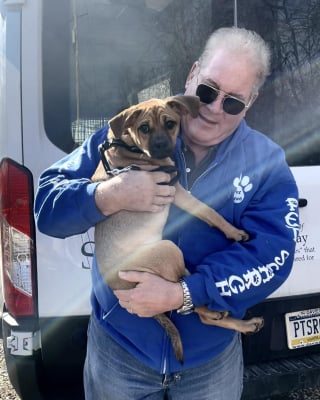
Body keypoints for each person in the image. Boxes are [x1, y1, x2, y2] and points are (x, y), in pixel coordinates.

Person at [34, 27, 299, 400]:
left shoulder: (266, 163)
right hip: (119, 352)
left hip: (209, 364)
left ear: (250, 102)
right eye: (207, 90)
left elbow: (274, 256)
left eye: (233, 102)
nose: (212, 108)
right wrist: (109, 195)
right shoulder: (127, 136)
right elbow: (46, 207)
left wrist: (184, 294)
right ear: (192, 75)